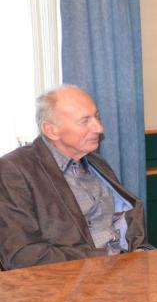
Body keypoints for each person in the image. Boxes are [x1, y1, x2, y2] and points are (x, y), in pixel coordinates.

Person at [0, 85, 148, 270]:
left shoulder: (96, 162)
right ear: (51, 130)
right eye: (85, 121)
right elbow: (22, 255)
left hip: (127, 265)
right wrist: (108, 257)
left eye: (97, 117)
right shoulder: (14, 169)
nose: (99, 128)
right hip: (71, 278)